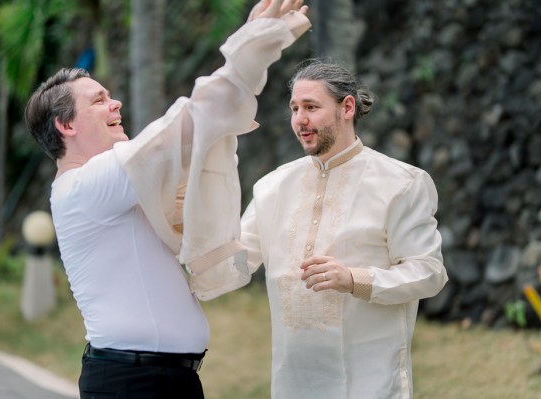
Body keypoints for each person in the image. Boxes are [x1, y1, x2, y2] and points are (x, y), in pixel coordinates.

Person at [24, 1, 310, 398]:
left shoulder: (110, 188)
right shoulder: (87, 185)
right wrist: (254, 41)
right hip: (134, 382)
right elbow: (194, 120)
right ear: (66, 125)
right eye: (99, 100)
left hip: (157, 379)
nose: (115, 103)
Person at [239, 60, 449, 398]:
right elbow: (233, 261)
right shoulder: (272, 187)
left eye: (311, 107)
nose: (300, 120)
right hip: (293, 382)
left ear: (347, 107)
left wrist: (354, 279)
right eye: (294, 108)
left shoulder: (401, 183)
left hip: (371, 382)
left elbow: (428, 272)